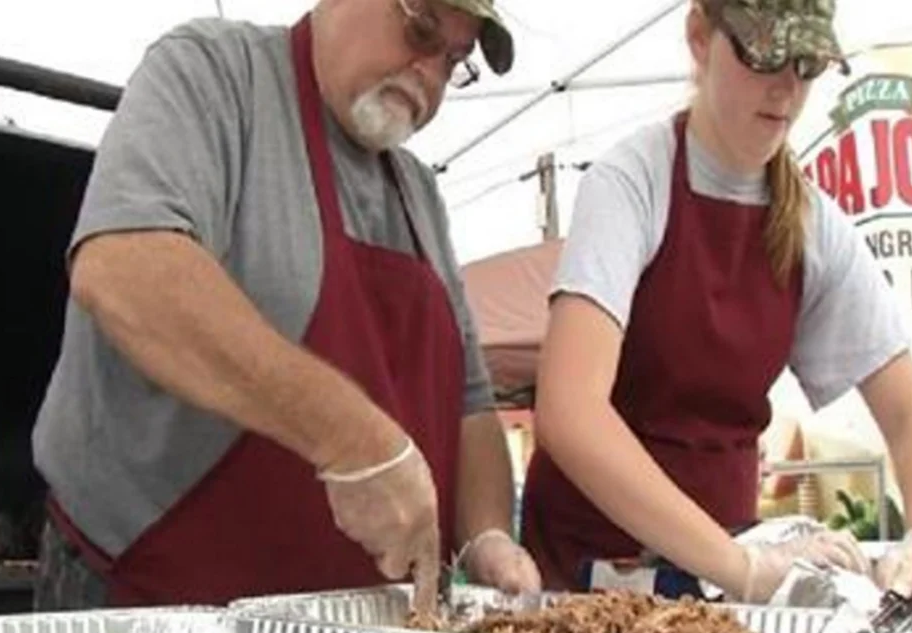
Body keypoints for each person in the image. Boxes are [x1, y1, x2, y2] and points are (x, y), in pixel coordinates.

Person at [31, 0, 541, 611]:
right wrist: (354, 440)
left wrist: (486, 535)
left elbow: (472, 401)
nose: (429, 74)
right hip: (162, 598)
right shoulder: (214, 73)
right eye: (420, 29)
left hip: (361, 616)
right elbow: (125, 268)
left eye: (454, 60)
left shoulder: (419, 193)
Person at [522, 0, 912, 603]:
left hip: (725, 575)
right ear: (698, 37)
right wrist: (739, 568)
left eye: (806, 63)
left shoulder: (816, 227)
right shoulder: (631, 182)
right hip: (588, 581)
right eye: (762, 56)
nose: (786, 89)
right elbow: (569, 411)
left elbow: (909, 414)